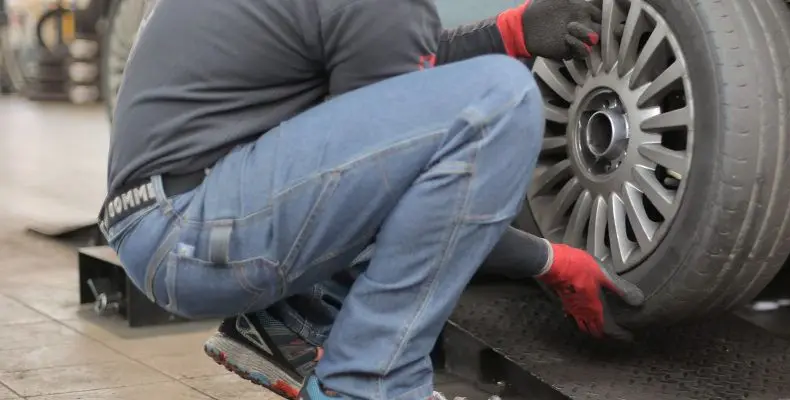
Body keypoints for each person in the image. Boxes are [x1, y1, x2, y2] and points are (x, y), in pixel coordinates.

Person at [98, 0, 644, 399]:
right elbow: (398, 182)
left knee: (458, 107)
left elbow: (382, 86)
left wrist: (508, 32)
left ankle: (296, 319)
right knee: (499, 100)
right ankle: (371, 383)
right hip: (193, 229)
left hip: (167, 217)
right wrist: (547, 260)